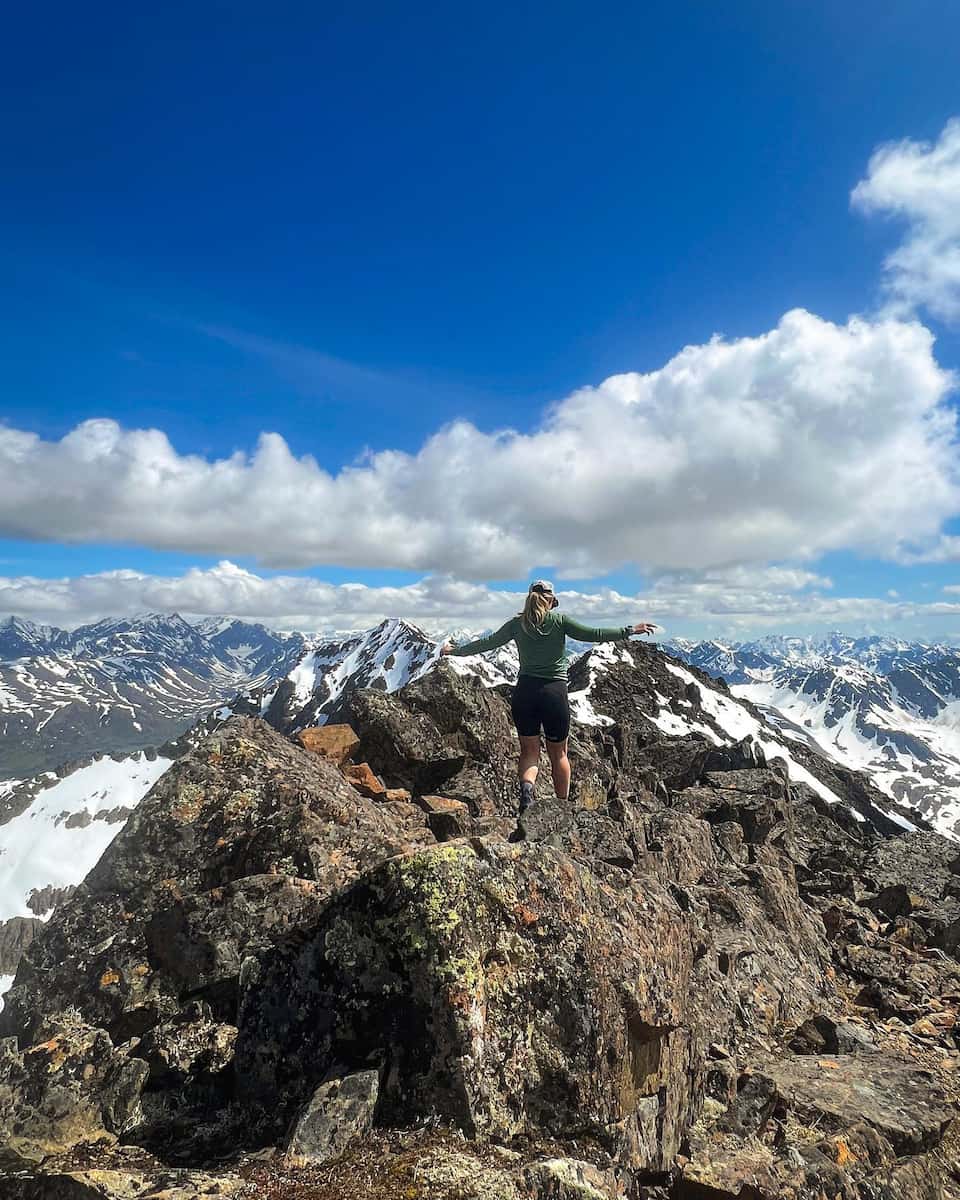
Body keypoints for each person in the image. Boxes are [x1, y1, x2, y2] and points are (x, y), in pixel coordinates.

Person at [441, 580, 656, 815]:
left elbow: (486, 643)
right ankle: (562, 806)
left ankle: (526, 792)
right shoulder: (560, 621)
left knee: (529, 752)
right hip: (554, 693)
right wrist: (630, 630)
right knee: (559, 754)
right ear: (552, 600)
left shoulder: (516, 624)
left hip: (525, 693)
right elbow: (595, 634)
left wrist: (455, 651)